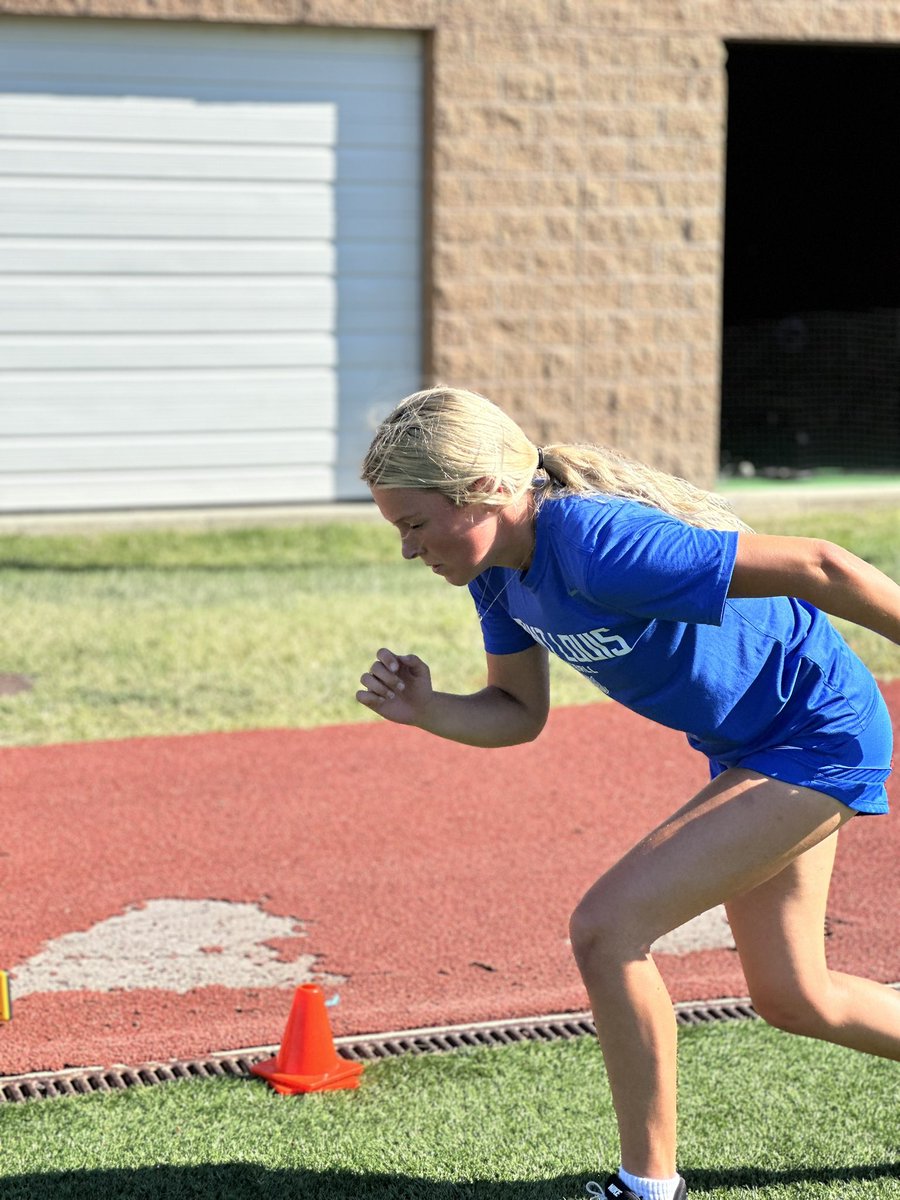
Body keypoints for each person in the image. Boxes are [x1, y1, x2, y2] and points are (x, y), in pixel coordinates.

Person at [355, 386, 900, 1200]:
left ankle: (649, 1187)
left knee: (607, 930)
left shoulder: (597, 544)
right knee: (796, 997)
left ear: (487, 493)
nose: (408, 550)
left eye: (413, 524)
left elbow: (823, 565)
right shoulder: (500, 576)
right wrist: (426, 708)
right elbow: (517, 713)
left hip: (815, 739)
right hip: (753, 750)